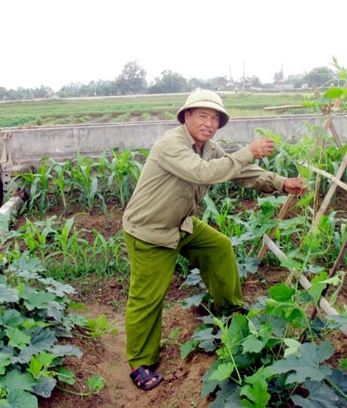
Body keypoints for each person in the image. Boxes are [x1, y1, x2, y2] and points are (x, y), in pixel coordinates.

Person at [122, 89, 307, 391]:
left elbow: (241, 172)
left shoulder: (209, 148)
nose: (209, 123)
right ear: (187, 116)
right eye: (203, 116)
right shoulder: (172, 144)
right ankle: (140, 362)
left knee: (218, 246)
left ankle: (231, 308)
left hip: (180, 224)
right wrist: (248, 150)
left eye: (215, 118)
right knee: (147, 296)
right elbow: (202, 174)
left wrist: (281, 183)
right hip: (150, 230)